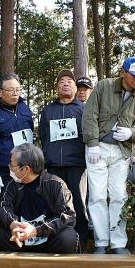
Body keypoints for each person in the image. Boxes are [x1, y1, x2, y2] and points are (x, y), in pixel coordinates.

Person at [82, 56, 135, 255]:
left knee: (119, 196)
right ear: (123, 72)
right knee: (97, 196)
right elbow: (90, 114)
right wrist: (92, 143)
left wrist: (132, 132)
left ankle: (118, 242)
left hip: (122, 151)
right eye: (134, 75)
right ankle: (101, 242)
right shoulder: (104, 86)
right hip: (98, 149)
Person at [0, 143, 78, 253]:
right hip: (20, 238)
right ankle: (17, 266)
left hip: (48, 237)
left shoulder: (55, 184)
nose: (10, 168)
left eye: (12, 166)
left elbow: (68, 215)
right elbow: (2, 207)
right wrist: (13, 224)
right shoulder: (12, 185)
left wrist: (36, 230)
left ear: (25, 169)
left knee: (68, 237)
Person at [39, 69, 88, 247]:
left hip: (77, 164)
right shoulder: (47, 110)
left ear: (75, 88)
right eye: (61, 82)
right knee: (55, 203)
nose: (65, 83)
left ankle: (80, 239)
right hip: (53, 166)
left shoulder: (83, 109)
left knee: (78, 202)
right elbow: (43, 135)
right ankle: (57, 238)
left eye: (69, 81)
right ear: (57, 88)